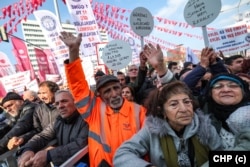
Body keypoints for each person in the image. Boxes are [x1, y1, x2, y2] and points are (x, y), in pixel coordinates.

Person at [60, 31, 146, 167]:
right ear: (99, 95)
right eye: (107, 91)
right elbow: (78, 86)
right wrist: (73, 52)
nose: (114, 94)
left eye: (116, 88)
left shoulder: (139, 111)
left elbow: (147, 146)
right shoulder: (94, 109)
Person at [114, 81, 221, 167]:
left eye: (187, 102)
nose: (184, 109)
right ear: (162, 111)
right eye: (174, 104)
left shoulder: (205, 127)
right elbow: (122, 154)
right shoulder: (152, 131)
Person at [17, 90, 89, 167]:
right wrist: (28, 149)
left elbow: (81, 144)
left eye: (64, 101)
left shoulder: (86, 119)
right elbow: (43, 136)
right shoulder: (58, 121)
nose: (60, 106)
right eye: (57, 103)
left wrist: (49, 155)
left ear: (75, 101)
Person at [200, 73, 250, 150]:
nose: (226, 90)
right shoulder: (200, 118)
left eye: (233, 86)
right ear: (210, 93)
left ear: (243, 92)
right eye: (218, 86)